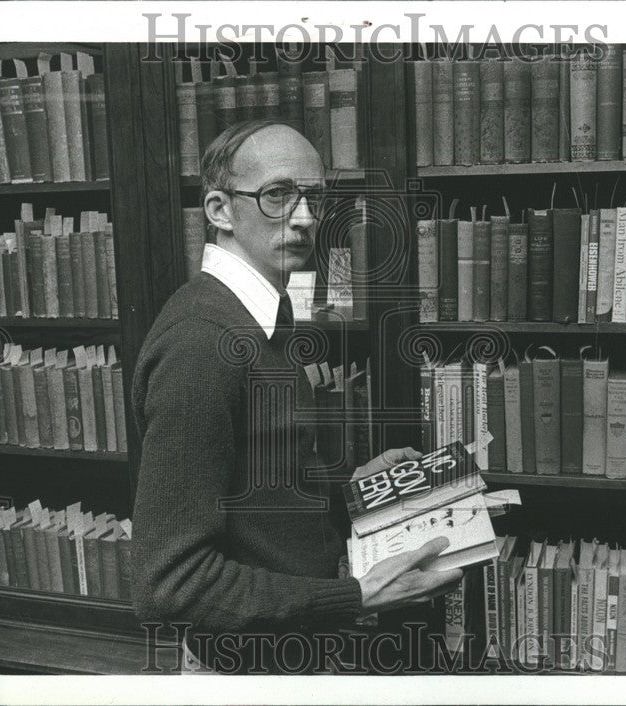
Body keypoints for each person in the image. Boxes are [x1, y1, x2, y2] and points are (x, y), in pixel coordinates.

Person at [131, 119, 462, 673]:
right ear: (219, 210)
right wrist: (358, 597)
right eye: (278, 195)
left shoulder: (261, 318)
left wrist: (349, 486)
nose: (305, 216)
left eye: (314, 196)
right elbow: (170, 585)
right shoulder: (203, 342)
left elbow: (252, 491)